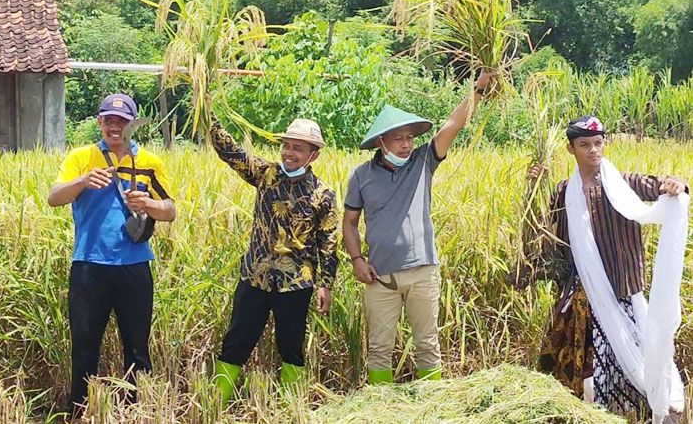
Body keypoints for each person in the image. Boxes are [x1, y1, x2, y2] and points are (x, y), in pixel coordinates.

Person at [529, 115, 688, 424]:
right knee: (575, 356)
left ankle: (638, 410)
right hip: (583, 289)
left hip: (621, 286)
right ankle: (574, 409)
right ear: (570, 149)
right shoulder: (564, 192)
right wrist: (534, 189)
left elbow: (655, 186)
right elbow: (550, 239)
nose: (593, 150)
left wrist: (676, 184)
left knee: (631, 356)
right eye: (584, 145)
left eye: (598, 143)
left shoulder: (623, 183)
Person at [342, 71, 494, 384]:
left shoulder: (423, 162)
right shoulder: (361, 176)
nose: (406, 144)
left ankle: (432, 406)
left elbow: (453, 126)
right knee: (379, 347)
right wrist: (357, 260)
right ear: (381, 142)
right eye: (398, 138)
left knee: (427, 344)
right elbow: (350, 222)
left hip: (422, 270)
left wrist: (478, 88)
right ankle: (380, 406)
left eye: (410, 137)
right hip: (380, 276)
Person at [48, 94, 176, 416]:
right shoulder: (82, 158)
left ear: (131, 125)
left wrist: (147, 205)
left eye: (122, 121)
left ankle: (137, 413)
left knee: (136, 348)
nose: (115, 126)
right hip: (89, 266)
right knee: (85, 349)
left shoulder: (149, 162)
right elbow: (53, 197)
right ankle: (81, 412)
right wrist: (83, 181)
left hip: (134, 268)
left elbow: (170, 210)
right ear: (99, 122)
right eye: (109, 120)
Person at [210, 118, 339, 405]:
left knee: (290, 346)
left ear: (313, 155)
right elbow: (231, 153)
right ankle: (215, 404)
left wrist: (325, 285)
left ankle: (288, 408)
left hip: (295, 283)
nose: (289, 153)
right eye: (286, 146)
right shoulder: (266, 174)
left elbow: (328, 243)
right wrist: (209, 117)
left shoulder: (322, 194)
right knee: (236, 341)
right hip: (256, 276)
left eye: (298, 148)